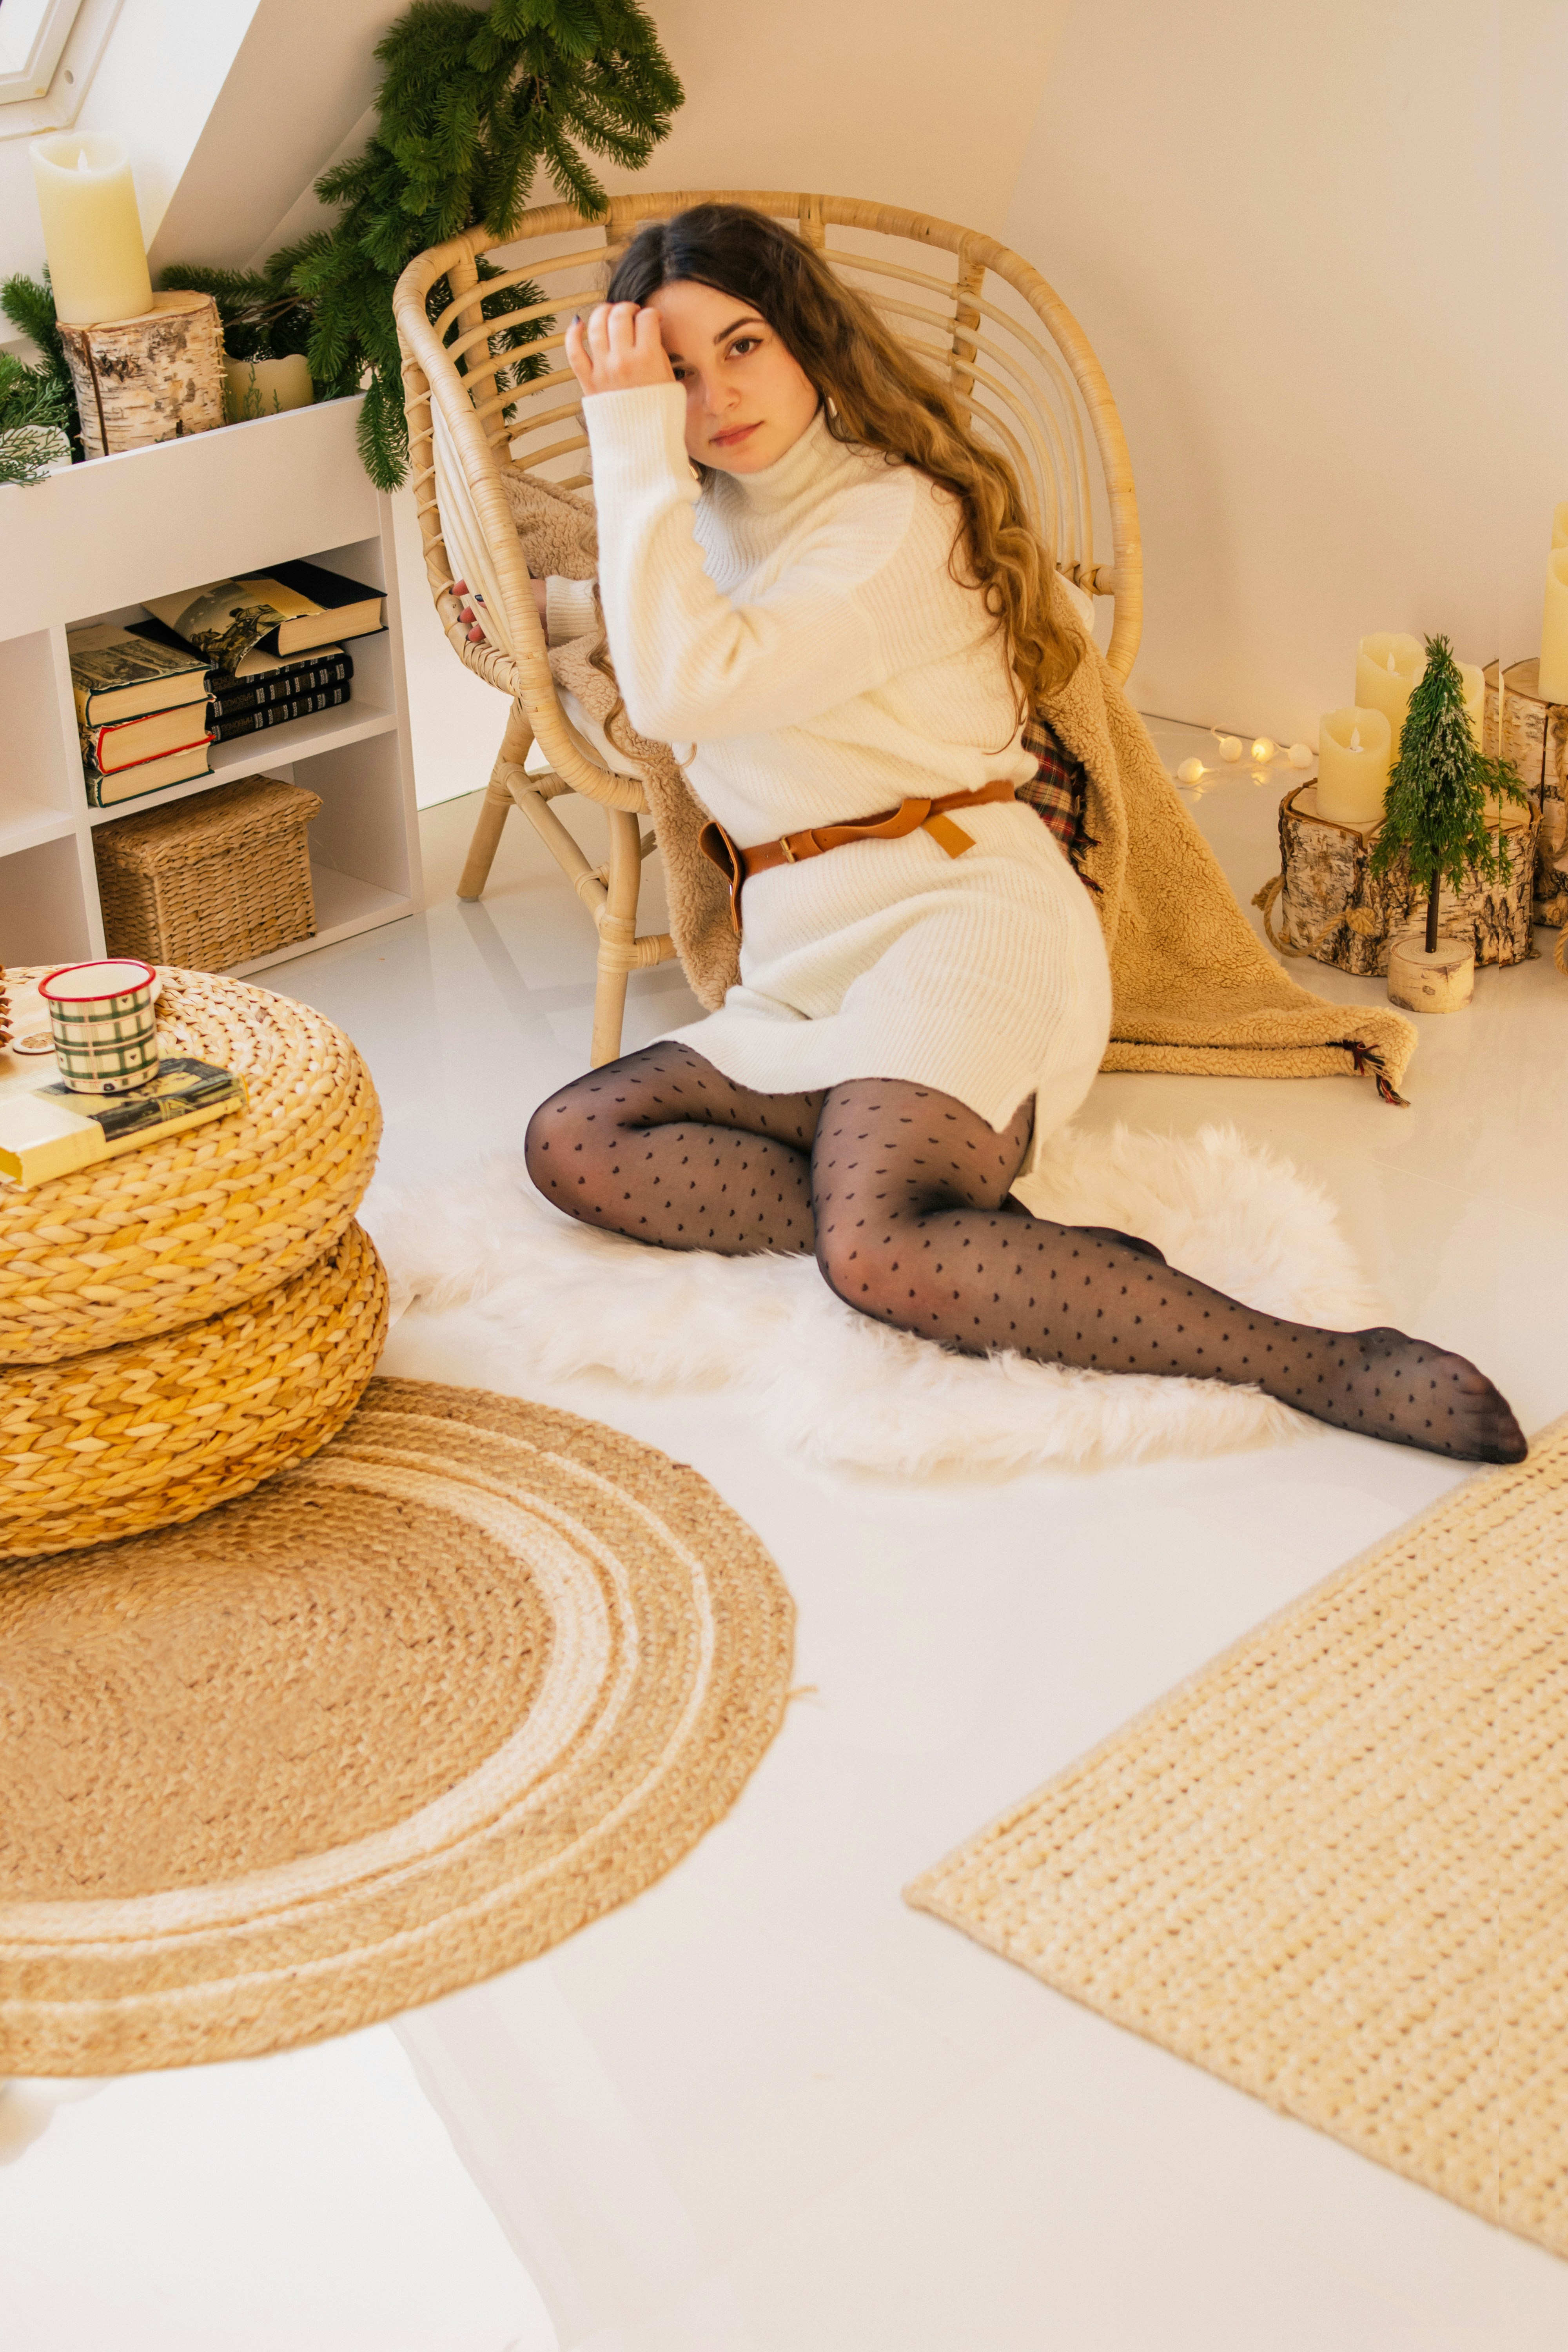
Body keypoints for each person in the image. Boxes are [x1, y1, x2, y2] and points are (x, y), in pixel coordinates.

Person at [479, 203, 1524, 1465]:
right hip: (805, 961)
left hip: (961, 917)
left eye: (743, 345)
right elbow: (671, 615)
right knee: (574, 1140)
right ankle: (930, 1198)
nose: (713, 399)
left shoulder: (895, 521)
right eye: (678, 374)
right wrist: (563, 602)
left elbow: (689, 686)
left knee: (878, 1252)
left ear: (808, 334)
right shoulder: (697, 529)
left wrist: (625, 429)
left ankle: (1313, 1358)